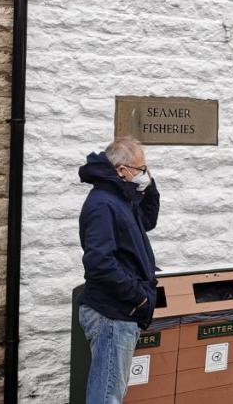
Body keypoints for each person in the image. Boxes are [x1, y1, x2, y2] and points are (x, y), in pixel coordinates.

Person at [78, 137, 160, 404]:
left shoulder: (120, 199)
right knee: (106, 396)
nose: (144, 175)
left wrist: (149, 187)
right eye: (141, 170)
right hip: (113, 313)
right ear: (122, 171)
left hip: (120, 310)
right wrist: (138, 297)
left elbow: (146, 220)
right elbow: (99, 263)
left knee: (112, 391)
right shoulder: (103, 204)